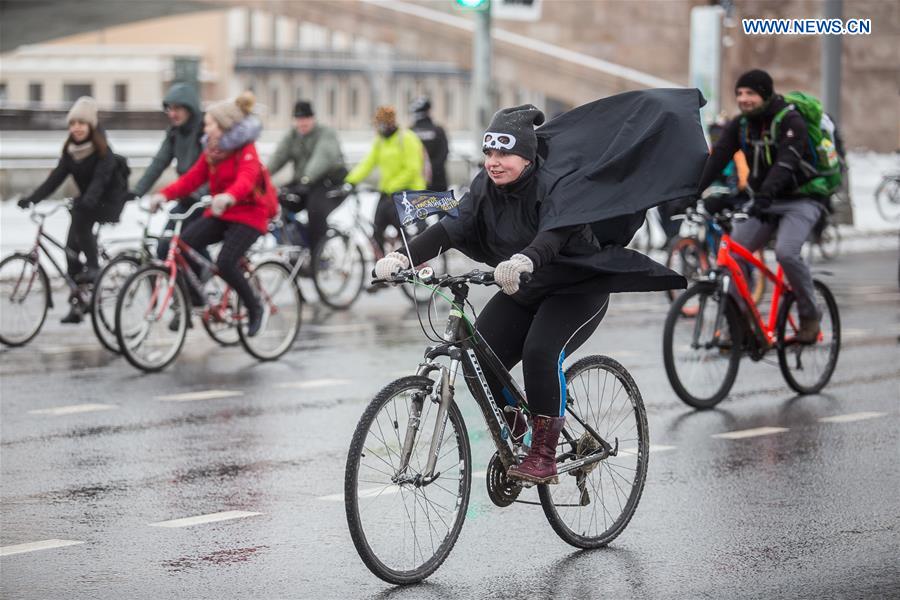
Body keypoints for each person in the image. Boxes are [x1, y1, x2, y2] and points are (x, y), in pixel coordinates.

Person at [373, 95, 705, 485]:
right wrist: (401, 257)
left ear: (527, 157)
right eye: (488, 151)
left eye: (504, 153)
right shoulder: (484, 187)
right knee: (478, 359)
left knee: (540, 351)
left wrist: (525, 260)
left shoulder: (555, 185)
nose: (493, 161)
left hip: (577, 287)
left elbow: (553, 235)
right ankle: (520, 430)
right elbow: (450, 228)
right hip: (527, 287)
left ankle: (544, 456)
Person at [696, 69, 826, 343]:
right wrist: (690, 192)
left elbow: (786, 163)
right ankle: (740, 328)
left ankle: (809, 316)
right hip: (765, 202)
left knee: (786, 253)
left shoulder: (791, 121)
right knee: (733, 257)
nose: (743, 99)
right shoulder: (741, 125)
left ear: (765, 95)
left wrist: (766, 193)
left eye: (750, 93)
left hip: (802, 199)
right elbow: (718, 158)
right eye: (740, 93)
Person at [148, 92, 267, 336]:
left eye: (210, 123)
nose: (206, 127)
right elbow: (191, 179)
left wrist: (230, 196)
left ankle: (255, 306)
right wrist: (164, 194)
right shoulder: (212, 151)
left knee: (225, 262)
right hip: (223, 213)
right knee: (184, 243)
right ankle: (196, 297)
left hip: (249, 215)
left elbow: (247, 178)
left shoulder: (246, 149)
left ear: (224, 126)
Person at [17, 96, 129, 324]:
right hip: (86, 204)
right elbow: (55, 180)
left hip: (108, 202)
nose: (76, 128)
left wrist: (87, 200)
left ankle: (95, 266)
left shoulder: (103, 153)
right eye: (72, 123)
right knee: (70, 252)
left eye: (81, 123)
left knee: (81, 219)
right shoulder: (71, 152)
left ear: (91, 126)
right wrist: (32, 199)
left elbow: (100, 180)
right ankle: (78, 303)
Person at [130, 83, 207, 260]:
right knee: (165, 247)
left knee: (188, 245)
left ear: (190, 109)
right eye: (169, 109)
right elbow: (159, 163)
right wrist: (137, 191)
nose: (172, 114)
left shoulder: (205, 132)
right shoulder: (174, 133)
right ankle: (183, 285)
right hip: (186, 198)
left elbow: (211, 169)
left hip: (205, 200)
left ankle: (206, 281)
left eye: (177, 109)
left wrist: (201, 194)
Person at [268, 100, 346, 253]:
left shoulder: (326, 133)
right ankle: (295, 241)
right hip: (304, 181)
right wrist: (261, 177)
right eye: (298, 119)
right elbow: (278, 157)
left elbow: (322, 157)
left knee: (315, 211)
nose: (302, 123)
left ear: (313, 119)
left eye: (305, 119)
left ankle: (317, 253)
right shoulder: (292, 136)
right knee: (279, 201)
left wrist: (306, 178)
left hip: (327, 182)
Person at [344, 105, 426, 252]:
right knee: (377, 231)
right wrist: (350, 180)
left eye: (381, 124)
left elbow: (413, 168)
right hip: (388, 193)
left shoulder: (406, 138)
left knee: (402, 231)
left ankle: (411, 257)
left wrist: (392, 186)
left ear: (390, 123)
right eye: (377, 125)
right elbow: (367, 163)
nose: (379, 129)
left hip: (408, 192)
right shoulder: (380, 141)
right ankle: (384, 263)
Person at [409, 96, 449, 192]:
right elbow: (444, 154)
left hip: (415, 184)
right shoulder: (438, 131)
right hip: (438, 183)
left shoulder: (409, 133)